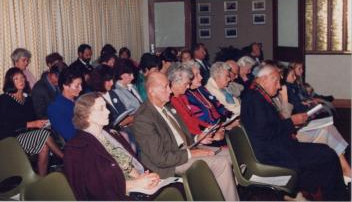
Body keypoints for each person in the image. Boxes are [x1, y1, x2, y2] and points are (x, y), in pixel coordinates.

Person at [241, 65, 347, 200]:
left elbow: (269, 127)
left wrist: (292, 123)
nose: (279, 86)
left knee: (326, 153)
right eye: (277, 81)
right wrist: (292, 122)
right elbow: (265, 131)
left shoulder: (255, 94)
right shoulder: (255, 99)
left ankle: (331, 194)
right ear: (264, 79)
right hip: (271, 154)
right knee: (328, 155)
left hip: (276, 147)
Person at [132, 72, 239, 201]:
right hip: (168, 164)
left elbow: (183, 135)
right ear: (152, 91)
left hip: (185, 149)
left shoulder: (167, 107)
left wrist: (197, 138)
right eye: (165, 87)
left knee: (230, 155)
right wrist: (191, 153)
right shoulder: (143, 117)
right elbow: (160, 158)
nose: (170, 91)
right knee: (221, 164)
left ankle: (219, 195)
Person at [64, 92, 161, 201]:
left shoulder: (111, 134)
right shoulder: (77, 148)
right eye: (101, 108)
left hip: (139, 187)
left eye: (106, 107)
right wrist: (135, 184)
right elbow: (92, 189)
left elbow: (131, 162)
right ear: (86, 116)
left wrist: (146, 175)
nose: (108, 111)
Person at [0, 67, 63, 176]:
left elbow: (32, 119)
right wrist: (31, 124)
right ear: (10, 82)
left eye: (22, 78)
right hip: (9, 139)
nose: (21, 81)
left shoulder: (27, 99)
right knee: (44, 135)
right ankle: (65, 158)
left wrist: (42, 122)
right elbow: (2, 125)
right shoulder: (4, 99)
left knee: (44, 146)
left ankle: (41, 180)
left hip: (25, 136)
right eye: (16, 79)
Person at [282, 67, 351, 179]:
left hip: (294, 129)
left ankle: (346, 168)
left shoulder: (288, 89)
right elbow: (283, 121)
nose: (278, 83)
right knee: (327, 132)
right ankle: (345, 170)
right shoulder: (280, 93)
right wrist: (285, 99)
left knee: (328, 128)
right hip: (290, 137)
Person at [48, 68, 82, 141]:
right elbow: (70, 136)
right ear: (65, 86)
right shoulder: (56, 108)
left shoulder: (79, 99)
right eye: (77, 86)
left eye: (81, 85)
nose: (81, 88)